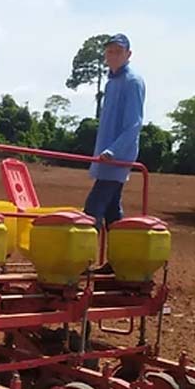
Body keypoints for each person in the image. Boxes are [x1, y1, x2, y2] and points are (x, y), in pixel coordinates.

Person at [84, 33, 145, 242]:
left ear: (128, 54)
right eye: (110, 51)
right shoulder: (111, 83)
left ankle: (80, 260)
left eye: (118, 51)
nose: (113, 55)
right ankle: (122, 262)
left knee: (93, 208)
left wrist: (113, 151)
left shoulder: (132, 81)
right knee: (111, 211)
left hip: (117, 157)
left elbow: (134, 124)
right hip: (106, 154)